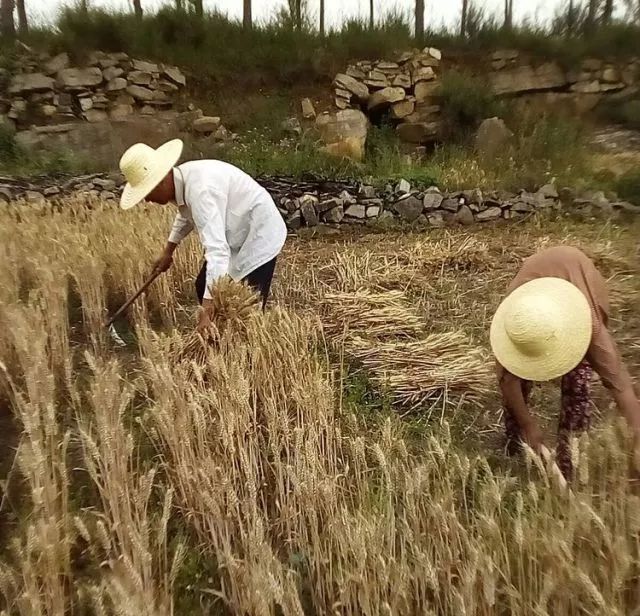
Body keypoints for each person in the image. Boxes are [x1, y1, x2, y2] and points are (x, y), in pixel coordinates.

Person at [490, 245, 640, 480]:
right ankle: (516, 441)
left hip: (576, 276)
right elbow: (507, 381)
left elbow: (620, 384)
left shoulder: (587, 326)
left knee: (578, 385)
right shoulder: (516, 321)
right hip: (534, 300)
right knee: (517, 386)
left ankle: (570, 456)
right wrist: (528, 426)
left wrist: (636, 431)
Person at [118, 139, 287, 333]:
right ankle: (219, 338)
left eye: (147, 192)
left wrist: (206, 312)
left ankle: (249, 349)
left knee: (248, 303)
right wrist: (168, 251)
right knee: (203, 286)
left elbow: (217, 252)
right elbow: (185, 216)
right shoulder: (183, 180)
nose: (147, 200)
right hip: (235, 229)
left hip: (260, 233)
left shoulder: (201, 190)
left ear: (162, 179)